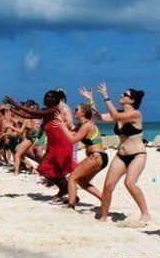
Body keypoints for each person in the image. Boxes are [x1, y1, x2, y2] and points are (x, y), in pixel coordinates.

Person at [90, 83, 151, 226]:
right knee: (108, 186)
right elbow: (98, 117)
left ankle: (145, 213)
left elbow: (116, 115)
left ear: (132, 101)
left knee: (129, 183)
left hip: (138, 154)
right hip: (121, 155)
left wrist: (106, 97)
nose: (122, 95)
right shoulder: (117, 114)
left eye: (125, 95)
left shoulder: (136, 114)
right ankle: (103, 217)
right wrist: (91, 99)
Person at [4, 92, 71, 197]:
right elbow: (28, 115)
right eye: (47, 96)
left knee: (47, 168)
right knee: (45, 168)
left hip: (60, 143)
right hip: (53, 144)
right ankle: (65, 189)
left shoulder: (54, 110)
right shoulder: (45, 110)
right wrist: (10, 110)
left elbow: (33, 112)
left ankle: (66, 189)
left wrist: (16, 104)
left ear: (56, 100)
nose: (48, 99)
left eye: (51, 97)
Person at [55, 103, 107, 208]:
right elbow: (71, 132)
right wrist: (62, 122)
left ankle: (71, 205)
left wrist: (62, 126)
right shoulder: (82, 125)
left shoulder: (87, 125)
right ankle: (104, 200)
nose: (74, 111)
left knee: (72, 178)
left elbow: (73, 140)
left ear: (83, 113)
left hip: (96, 156)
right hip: (99, 157)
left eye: (76, 109)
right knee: (82, 182)